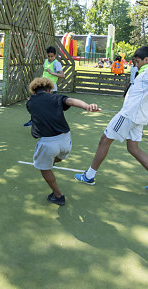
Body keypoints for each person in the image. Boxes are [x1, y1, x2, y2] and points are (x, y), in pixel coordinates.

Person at [74, 46, 148, 192]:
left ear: (146, 59)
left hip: (129, 115)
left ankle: (89, 176)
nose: (136, 64)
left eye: (138, 61)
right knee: (133, 148)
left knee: (104, 140)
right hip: (137, 117)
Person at [26, 77, 100, 206]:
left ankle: (58, 196)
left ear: (34, 91)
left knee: (44, 169)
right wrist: (87, 106)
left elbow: (36, 110)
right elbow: (71, 101)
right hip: (66, 139)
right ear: (49, 89)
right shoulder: (56, 98)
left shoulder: (30, 103)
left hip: (48, 142)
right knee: (57, 157)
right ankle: (53, 162)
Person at [24, 46, 65, 127]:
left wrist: (52, 73)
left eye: (52, 56)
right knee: (31, 103)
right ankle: (33, 120)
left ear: (55, 56)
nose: (50, 58)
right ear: (46, 55)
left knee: (48, 108)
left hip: (51, 89)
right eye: (48, 56)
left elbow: (63, 75)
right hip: (42, 87)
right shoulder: (46, 61)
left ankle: (52, 123)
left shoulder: (57, 63)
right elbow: (44, 73)